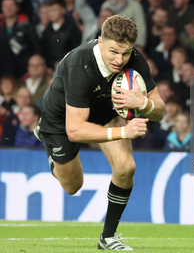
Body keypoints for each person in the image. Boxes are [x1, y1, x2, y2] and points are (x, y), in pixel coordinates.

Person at [33, 15, 165, 250]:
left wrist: (144, 104)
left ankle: (108, 237)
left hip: (106, 112)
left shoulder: (134, 60)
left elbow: (160, 110)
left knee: (126, 168)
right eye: (113, 51)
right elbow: (75, 130)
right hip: (63, 120)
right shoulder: (80, 65)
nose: (119, 60)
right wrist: (124, 133)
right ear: (100, 42)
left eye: (125, 53)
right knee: (73, 186)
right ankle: (44, 135)